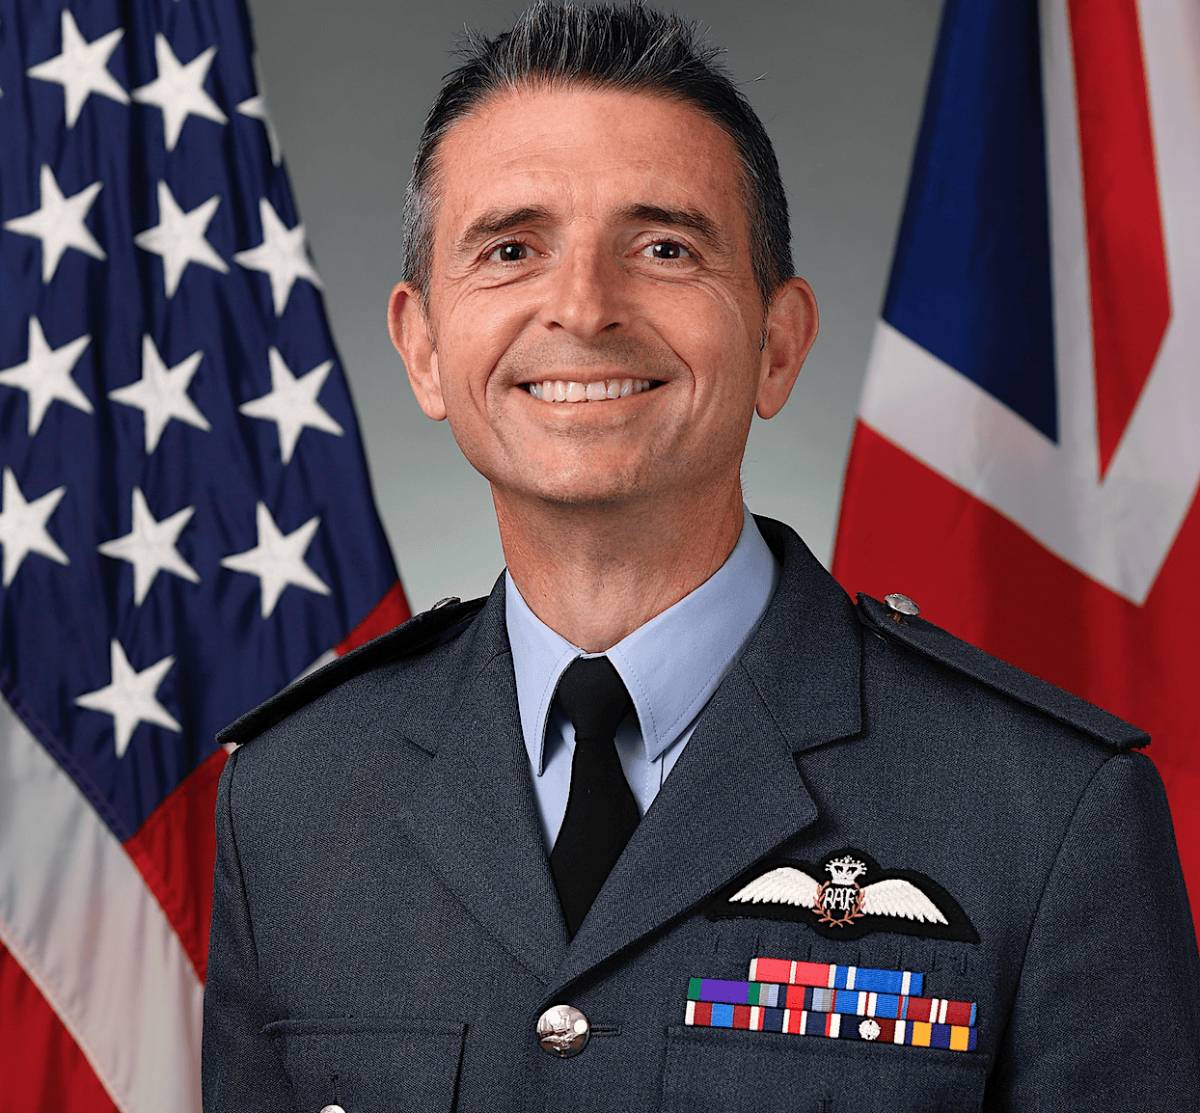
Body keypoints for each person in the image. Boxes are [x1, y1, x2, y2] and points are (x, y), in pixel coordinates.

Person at [201, 2, 1200, 1109]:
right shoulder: (292, 803)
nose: (582, 309)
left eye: (665, 247)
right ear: (425, 348)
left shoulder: (1046, 812)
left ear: (778, 344)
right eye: (512, 249)